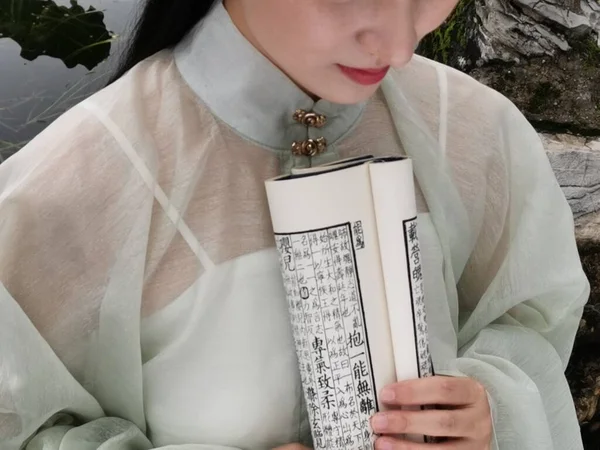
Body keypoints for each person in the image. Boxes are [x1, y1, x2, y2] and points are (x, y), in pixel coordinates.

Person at [0, 0, 590, 449]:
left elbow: (532, 319)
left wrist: (494, 409)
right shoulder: (77, 180)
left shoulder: (472, 127)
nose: (401, 44)